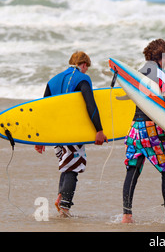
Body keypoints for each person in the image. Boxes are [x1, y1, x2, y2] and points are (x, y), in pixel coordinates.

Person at [34, 51, 108, 217]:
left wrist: (41, 139)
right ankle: (65, 208)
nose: (86, 70)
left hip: (57, 134)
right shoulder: (82, 78)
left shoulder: (52, 80)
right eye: (86, 67)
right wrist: (99, 130)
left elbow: (44, 111)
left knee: (66, 166)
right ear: (84, 65)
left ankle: (61, 197)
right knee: (73, 168)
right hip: (73, 131)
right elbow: (91, 105)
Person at [121, 38, 165, 224]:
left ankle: (126, 215)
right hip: (152, 129)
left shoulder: (139, 72)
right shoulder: (160, 72)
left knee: (132, 169)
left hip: (135, 128)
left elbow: (145, 99)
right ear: (162, 56)